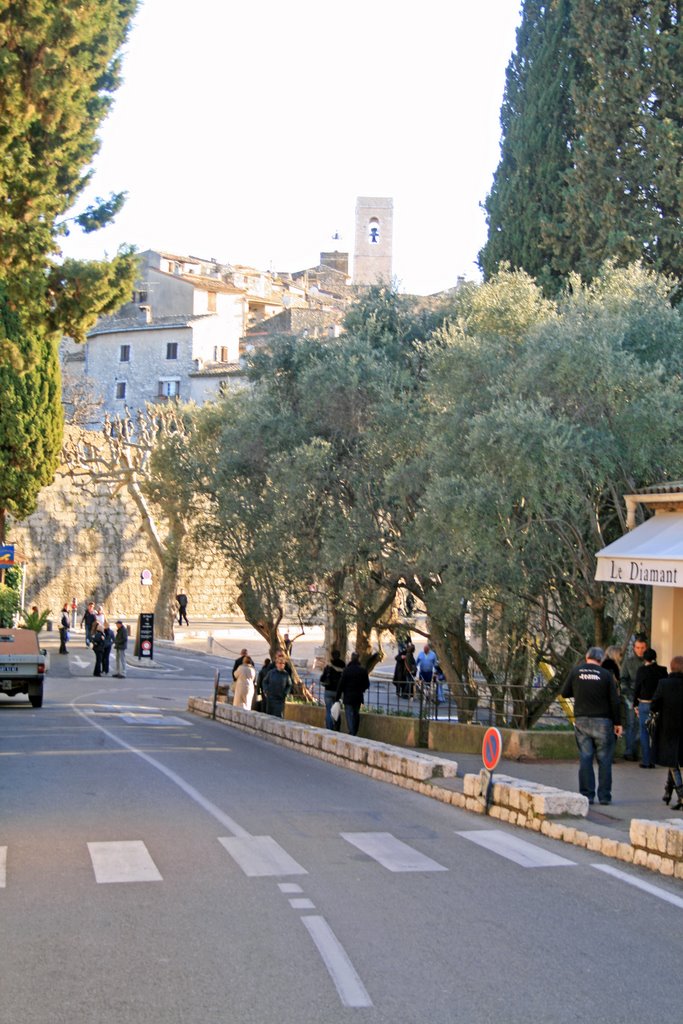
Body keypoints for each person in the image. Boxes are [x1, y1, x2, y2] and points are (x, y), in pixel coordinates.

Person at [561, 646, 623, 805]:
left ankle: (587, 795)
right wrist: (618, 723)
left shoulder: (576, 671)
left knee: (586, 758)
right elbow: (615, 701)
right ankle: (604, 797)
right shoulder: (606, 675)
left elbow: (565, 692)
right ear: (601, 660)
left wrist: (581, 690)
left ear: (587, 657)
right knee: (604, 760)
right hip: (603, 721)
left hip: (582, 720)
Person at [650, 655, 683, 810]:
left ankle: (681, 795)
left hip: (668, 727)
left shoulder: (664, 683)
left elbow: (654, 705)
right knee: (675, 760)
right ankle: (668, 791)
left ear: (671, 667)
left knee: (672, 763)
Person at [633, 648, 667, 769]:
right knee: (657, 732)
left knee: (644, 732)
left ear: (644, 658)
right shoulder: (663, 671)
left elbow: (637, 688)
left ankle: (647, 761)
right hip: (658, 705)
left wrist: (635, 705)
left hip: (644, 704)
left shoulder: (642, 670)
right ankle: (657, 758)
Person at [620, 634, 648, 760]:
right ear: (634, 648)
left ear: (646, 648)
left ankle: (640, 751)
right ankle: (629, 751)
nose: (640, 650)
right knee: (631, 723)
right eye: (638, 648)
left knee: (642, 724)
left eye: (642, 648)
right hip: (631, 695)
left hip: (645, 696)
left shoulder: (649, 663)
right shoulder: (628, 662)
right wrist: (629, 696)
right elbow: (623, 680)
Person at [336, 652, 370, 736]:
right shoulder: (362, 670)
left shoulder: (347, 670)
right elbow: (367, 684)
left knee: (349, 714)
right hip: (358, 696)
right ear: (358, 659)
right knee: (356, 713)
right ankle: (354, 730)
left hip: (348, 696)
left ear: (351, 658)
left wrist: (338, 696)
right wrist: (362, 689)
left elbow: (341, 684)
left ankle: (352, 731)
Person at [262, 650, 292, 718]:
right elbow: (264, 681)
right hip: (270, 697)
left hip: (280, 699)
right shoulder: (271, 672)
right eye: (279, 663)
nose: (281, 664)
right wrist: (266, 690)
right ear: (276, 663)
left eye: (282, 663)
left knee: (278, 716)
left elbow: (289, 684)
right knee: (269, 716)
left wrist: (286, 693)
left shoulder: (286, 674)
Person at [321, 650, 346, 730]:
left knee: (329, 711)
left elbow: (322, 678)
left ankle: (329, 728)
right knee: (337, 710)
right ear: (339, 655)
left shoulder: (329, 666)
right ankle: (337, 727)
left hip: (328, 691)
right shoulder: (343, 665)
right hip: (338, 692)